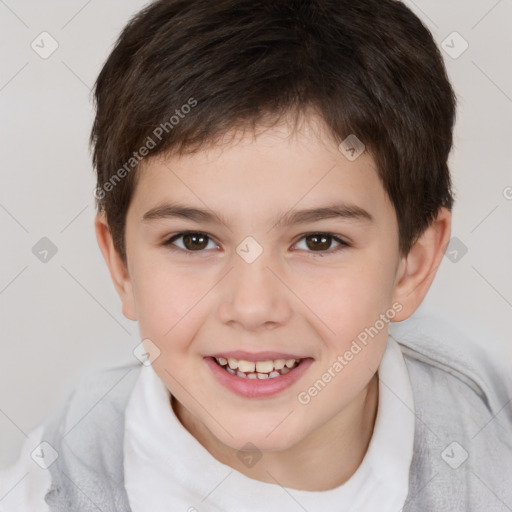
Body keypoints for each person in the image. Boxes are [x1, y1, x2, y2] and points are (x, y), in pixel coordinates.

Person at [1, 0, 511, 510]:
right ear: (122, 266)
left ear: (412, 266)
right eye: (193, 241)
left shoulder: (491, 458)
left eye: (319, 241)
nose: (252, 307)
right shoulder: (51, 489)